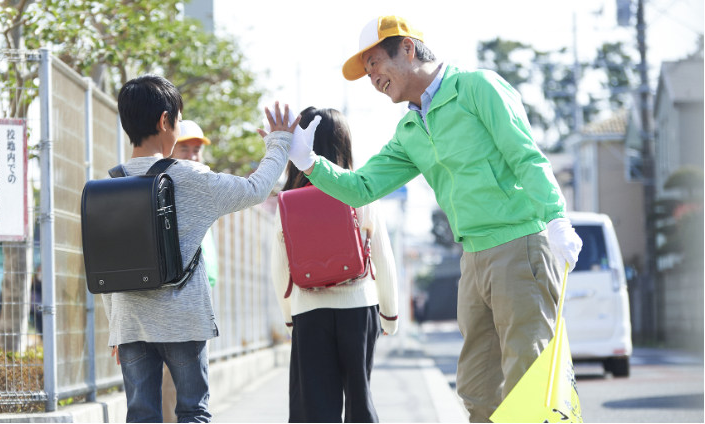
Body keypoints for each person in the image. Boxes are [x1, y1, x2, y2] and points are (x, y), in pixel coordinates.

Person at [287, 16, 583, 423]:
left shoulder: (477, 88)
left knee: (528, 380)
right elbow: (361, 188)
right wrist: (309, 162)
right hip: (473, 258)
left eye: (375, 62)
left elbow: (525, 156)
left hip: (521, 246)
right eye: (367, 70)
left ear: (407, 48)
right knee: (477, 389)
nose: (371, 77)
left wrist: (556, 218)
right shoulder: (410, 128)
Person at [106, 74, 301, 423]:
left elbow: (108, 268)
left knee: (140, 413)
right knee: (193, 411)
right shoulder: (190, 177)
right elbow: (256, 189)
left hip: (130, 324)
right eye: (178, 120)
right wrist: (279, 143)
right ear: (164, 121)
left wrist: (114, 329)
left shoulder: (109, 185)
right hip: (184, 321)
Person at [270, 107, 399, 423]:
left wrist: (289, 318)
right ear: (345, 144)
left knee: (315, 407)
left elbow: (279, 269)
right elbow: (383, 258)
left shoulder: (289, 201)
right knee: (359, 398)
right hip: (359, 306)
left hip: (308, 311)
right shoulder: (359, 191)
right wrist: (390, 315)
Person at [160, 120, 220, 423]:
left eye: (197, 150)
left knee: (190, 393)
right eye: (186, 149)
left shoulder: (198, 189)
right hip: (174, 299)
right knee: (179, 393)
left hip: (197, 297)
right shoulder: (166, 190)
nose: (194, 155)